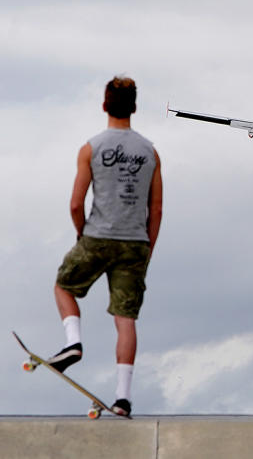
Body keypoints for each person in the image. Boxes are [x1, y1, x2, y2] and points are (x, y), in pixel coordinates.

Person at [47, 76, 163, 417]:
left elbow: (74, 203)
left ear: (104, 105)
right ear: (135, 108)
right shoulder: (150, 152)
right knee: (125, 319)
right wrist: (148, 248)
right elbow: (155, 209)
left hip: (98, 235)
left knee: (64, 286)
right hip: (135, 243)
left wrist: (83, 236)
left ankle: (73, 343)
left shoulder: (91, 148)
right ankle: (123, 399)